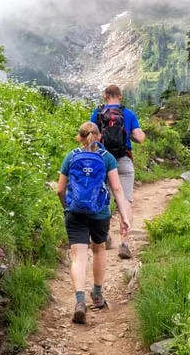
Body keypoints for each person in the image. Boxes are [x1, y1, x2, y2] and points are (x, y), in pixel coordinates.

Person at [54, 122, 132, 324]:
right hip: (100, 213)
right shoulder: (107, 158)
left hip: (75, 212)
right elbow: (117, 189)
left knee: (78, 256)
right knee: (98, 250)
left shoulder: (71, 157)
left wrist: (67, 207)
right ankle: (97, 294)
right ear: (99, 137)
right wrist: (124, 216)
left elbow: (60, 190)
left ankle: (79, 301)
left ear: (79, 138)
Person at [92, 84, 146, 259]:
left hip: (103, 160)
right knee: (126, 201)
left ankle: (105, 236)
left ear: (105, 96)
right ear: (120, 96)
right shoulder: (128, 114)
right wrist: (126, 133)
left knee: (103, 198)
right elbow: (140, 138)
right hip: (123, 160)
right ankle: (124, 242)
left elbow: (91, 137)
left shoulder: (98, 114)